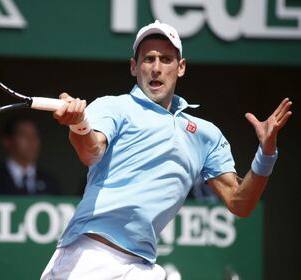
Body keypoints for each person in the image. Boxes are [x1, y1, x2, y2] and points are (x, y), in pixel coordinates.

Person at [40, 20, 293, 279]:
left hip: (141, 266)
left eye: (166, 59)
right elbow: (90, 152)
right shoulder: (113, 107)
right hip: (91, 255)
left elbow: (240, 203)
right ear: (134, 66)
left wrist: (266, 153)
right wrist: (79, 125)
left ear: (180, 67)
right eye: (148, 59)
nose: (156, 68)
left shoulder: (205, 135)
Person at [0, 115, 61, 195]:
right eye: (24, 135)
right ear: (7, 141)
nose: (32, 141)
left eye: (35, 135)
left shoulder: (50, 182)